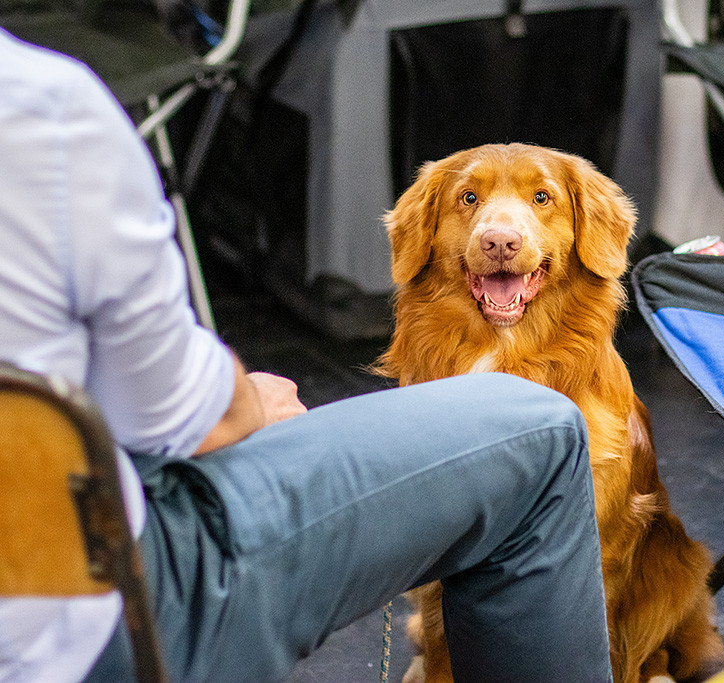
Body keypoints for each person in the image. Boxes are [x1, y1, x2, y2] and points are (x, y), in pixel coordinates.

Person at [0, 27, 613, 682]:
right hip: (98, 626)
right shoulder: (41, 108)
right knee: (544, 429)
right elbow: (187, 415)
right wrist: (250, 401)